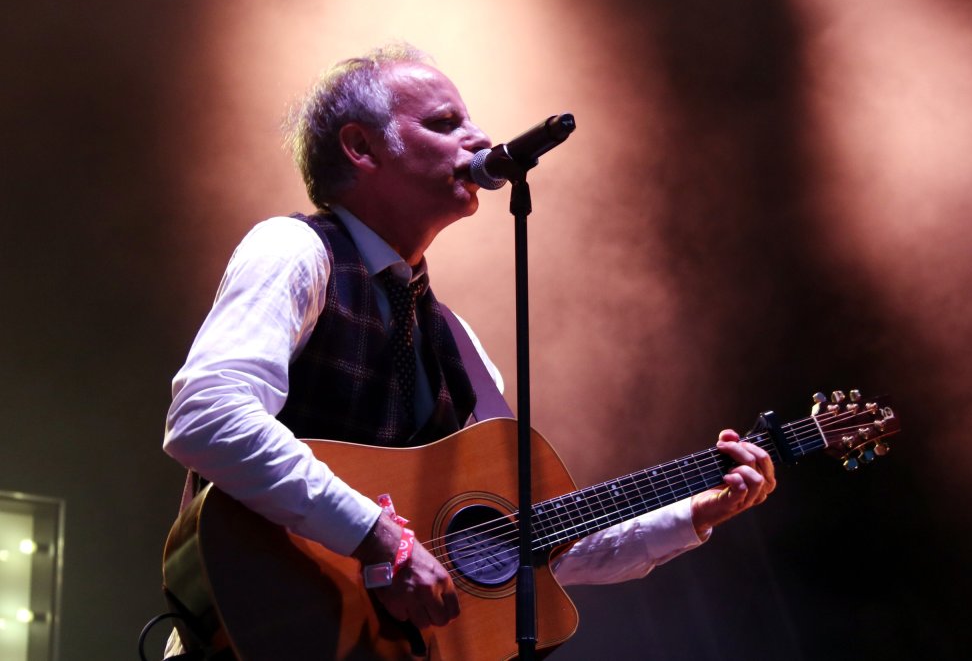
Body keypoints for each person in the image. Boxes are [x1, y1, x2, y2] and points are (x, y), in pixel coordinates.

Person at [162, 43, 775, 653]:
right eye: (445, 123)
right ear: (360, 147)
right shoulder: (295, 251)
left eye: (470, 120)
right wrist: (378, 536)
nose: (481, 139)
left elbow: (531, 538)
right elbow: (206, 417)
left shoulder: (451, 337)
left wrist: (693, 515)